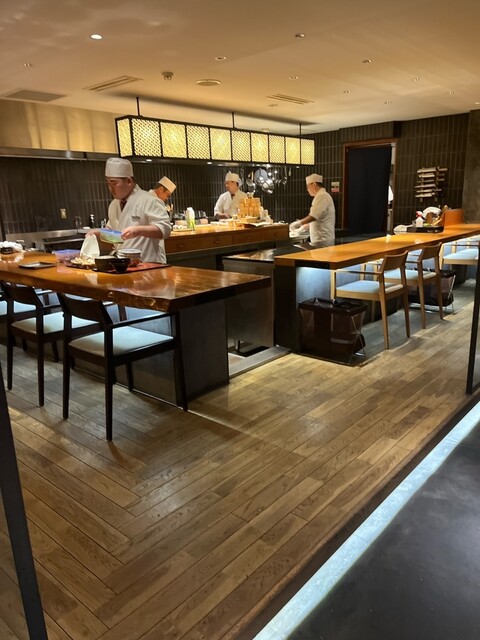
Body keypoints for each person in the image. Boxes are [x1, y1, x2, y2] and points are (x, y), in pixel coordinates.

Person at [89, 157, 172, 263]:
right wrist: (99, 233)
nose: (111, 188)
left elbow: (165, 230)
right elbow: (118, 238)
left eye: (114, 183)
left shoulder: (149, 200)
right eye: (108, 184)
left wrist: (138, 231)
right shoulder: (113, 205)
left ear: (129, 181)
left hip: (149, 265)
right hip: (124, 266)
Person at [289, 173, 335, 248]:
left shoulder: (322, 196)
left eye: (308, 187)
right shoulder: (321, 196)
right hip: (320, 240)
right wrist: (302, 228)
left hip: (323, 240)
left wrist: (297, 223)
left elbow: (314, 216)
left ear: (314, 185)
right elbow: (318, 218)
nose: (307, 190)